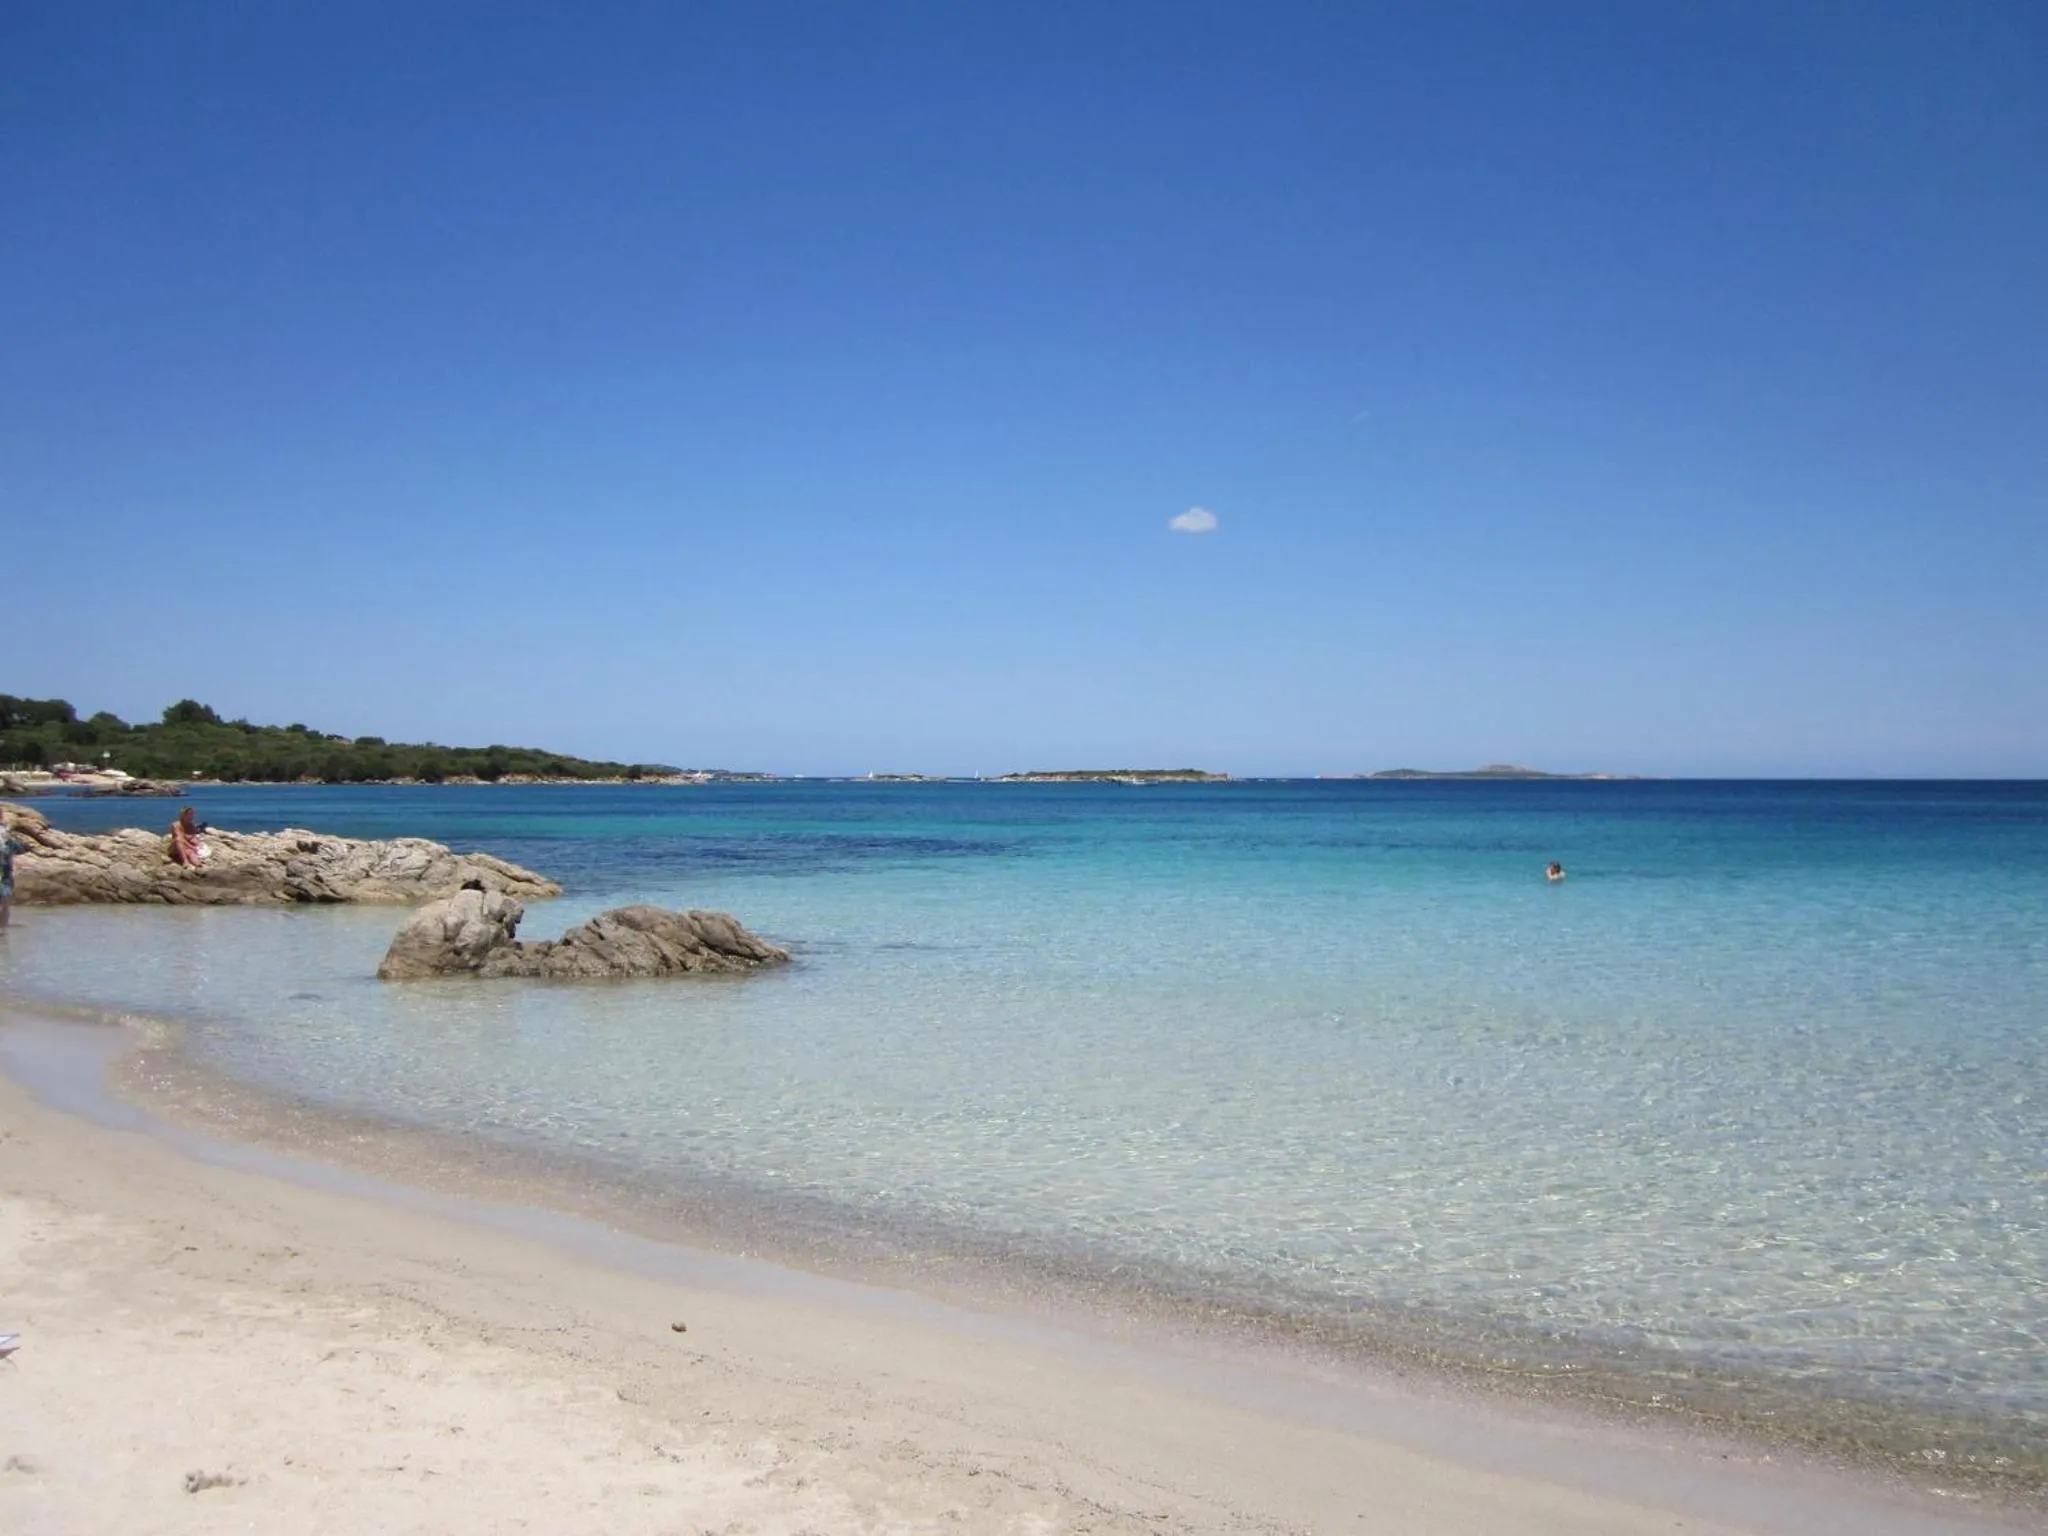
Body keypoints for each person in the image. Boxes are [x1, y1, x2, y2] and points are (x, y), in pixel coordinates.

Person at [0, 818, 20, 928]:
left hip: (5, 876)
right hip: (4, 875)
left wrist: (9, 839)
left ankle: (3, 930)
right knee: (4, 904)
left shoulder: (6, 836)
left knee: (5, 904)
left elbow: (19, 849)